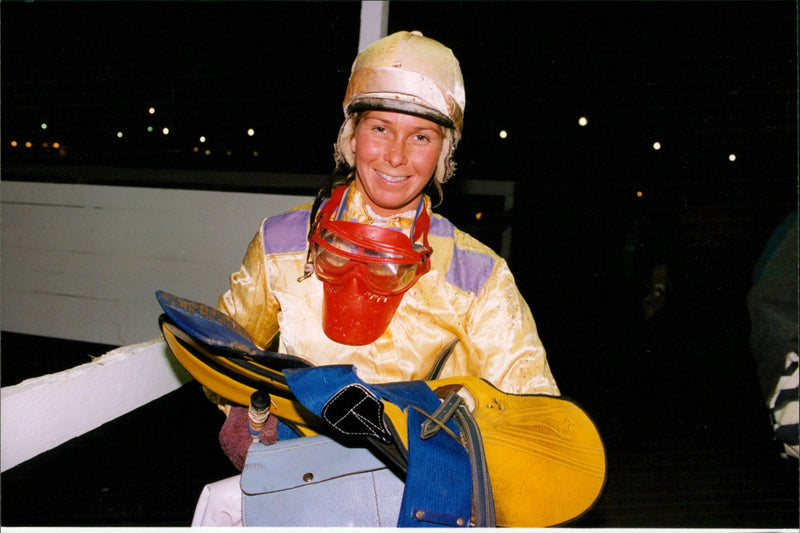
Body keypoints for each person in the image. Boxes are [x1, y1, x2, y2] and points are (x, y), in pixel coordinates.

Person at [192, 30, 559, 526]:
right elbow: (224, 350)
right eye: (380, 128)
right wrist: (243, 412)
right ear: (351, 134)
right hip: (291, 492)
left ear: (444, 151)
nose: (395, 156)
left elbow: (532, 414)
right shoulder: (281, 240)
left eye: (421, 137)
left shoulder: (479, 275)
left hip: (414, 503)